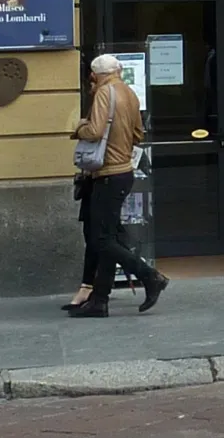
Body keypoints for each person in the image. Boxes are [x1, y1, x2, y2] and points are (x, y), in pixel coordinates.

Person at [66, 54, 168, 318]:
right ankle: (99, 300)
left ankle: (150, 276)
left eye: (91, 75)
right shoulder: (130, 93)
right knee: (107, 237)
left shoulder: (104, 93)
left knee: (101, 239)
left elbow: (96, 131)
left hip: (107, 174)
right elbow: (138, 134)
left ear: (96, 74)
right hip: (124, 172)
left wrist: (79, 128)